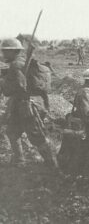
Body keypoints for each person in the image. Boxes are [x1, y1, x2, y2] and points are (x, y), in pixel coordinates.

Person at [0, 38, 58, 169]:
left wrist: (3, 82)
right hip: (24, 103)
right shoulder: (22, 63)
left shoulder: (16, 65)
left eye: (5, 51)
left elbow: (16, 87)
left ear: (12, 52)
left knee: (37, 136)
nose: (3, 54)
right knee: (12, 132)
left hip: (28, 105)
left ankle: (53, 166)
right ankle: (19, 161)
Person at [58, 68, 89, 173]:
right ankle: (71, 172)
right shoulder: (85, 92)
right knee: (78, 148)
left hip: (84, 122)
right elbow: (87, 112)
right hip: (82, 124)